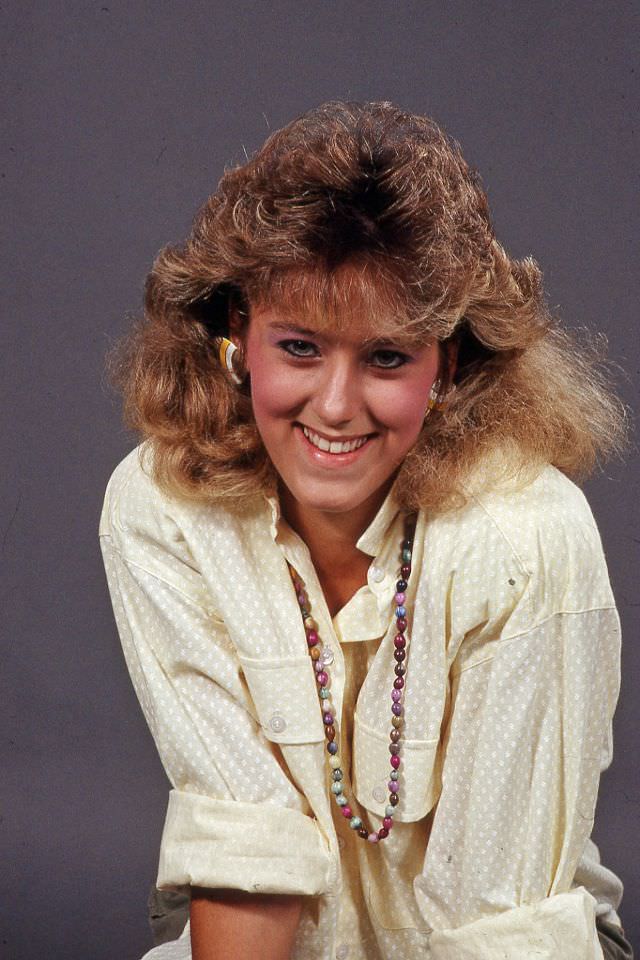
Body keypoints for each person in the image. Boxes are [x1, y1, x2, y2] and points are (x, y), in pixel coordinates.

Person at [99, 101, 633, 960]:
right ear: (239, 335)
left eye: (386, 357)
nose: (337, 407)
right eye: (300, 348)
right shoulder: (160, 509)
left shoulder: (529, 538)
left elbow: (497, 926)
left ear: (446, 366)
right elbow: (246, 852)